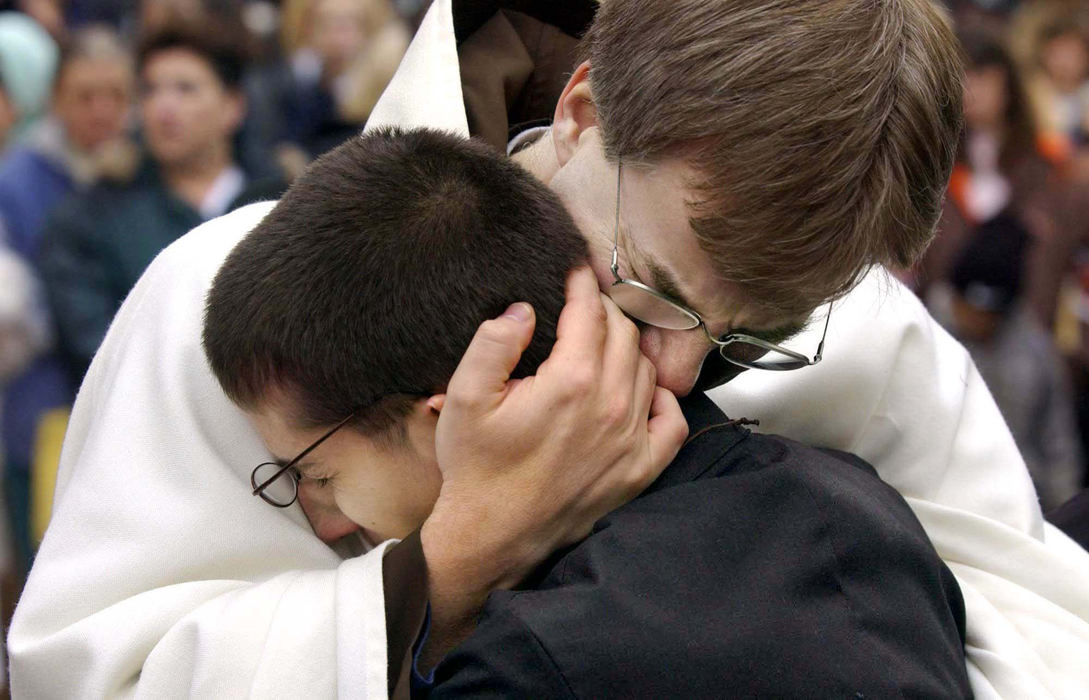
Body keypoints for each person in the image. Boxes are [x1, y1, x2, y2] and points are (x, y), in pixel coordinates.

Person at [10, 0, 1089, 697]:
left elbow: (1044, 632)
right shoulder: (239, 300)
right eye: (647, 289)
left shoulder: (859, 329)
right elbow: (96, 676)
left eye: (753, 338)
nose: (672, 370)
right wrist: (452, 567)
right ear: (581, 109)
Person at [204, 128, 971, 697]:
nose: (322, 521)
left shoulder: (522, 669)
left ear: (449, 417)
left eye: (316, 474)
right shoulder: (862, 508)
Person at [39, 22, 284, 381]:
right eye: (151, 90)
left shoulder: (281, 206)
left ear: (233, 106)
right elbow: (92, 344)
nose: (163, 107)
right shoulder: (91, 215)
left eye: (186, 89)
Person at [0, 26, 133, 576]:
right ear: (54, 101)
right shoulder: (19, 179)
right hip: (45, 403)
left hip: (128, 406)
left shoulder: (145, 173)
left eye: (116, 96)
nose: (101, 111)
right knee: (49, 570)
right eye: (84, 96)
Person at [937, 214, 1084, 510]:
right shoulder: (928, 334)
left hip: (1026, 500)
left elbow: (1059, 445)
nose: (977, 321)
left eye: (989, 313)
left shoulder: (1033, 350)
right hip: (946, 497)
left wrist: (1064, 516)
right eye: (969, 307)